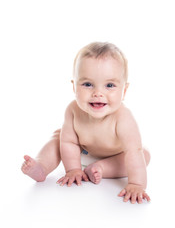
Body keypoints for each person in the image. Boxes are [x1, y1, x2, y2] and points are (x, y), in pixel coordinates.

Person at [21, 42, 151, 204]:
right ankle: (42, 166)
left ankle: (101, 168)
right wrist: (73, 169)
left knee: (143, 154)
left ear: (124, 91)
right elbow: (69, 142)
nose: (98, 93)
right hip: (80, 152)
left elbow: (133, 151)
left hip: (115, 156)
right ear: (74, 87)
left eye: (109, 85)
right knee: (59, 137)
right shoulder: (73, 110)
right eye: (88, 84)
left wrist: (136, 184)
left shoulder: (124, 118)